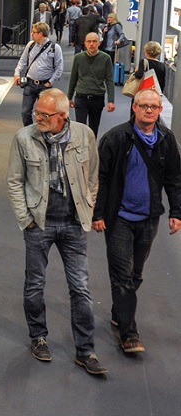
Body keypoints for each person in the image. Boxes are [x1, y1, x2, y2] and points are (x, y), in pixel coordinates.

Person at [6, 88, 107, 375]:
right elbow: (14, 181)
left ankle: (85, 350)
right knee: (35, 284)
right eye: (37, 112)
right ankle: (38, 337)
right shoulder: (23, 138)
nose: (38, 118)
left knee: (81, 288)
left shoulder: (84, 135)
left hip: (74, 224)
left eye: (44, 115)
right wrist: (26, 219)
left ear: (63, 115)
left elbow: (92, 176)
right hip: (39, 224)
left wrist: (88, 206)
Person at [93, 89, 181, 354]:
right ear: (134, 108)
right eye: (144, 106)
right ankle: (129, 334)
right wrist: (98, 213)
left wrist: (176, 211)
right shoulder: (116, 138)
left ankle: (119, 311)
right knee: (122, 276)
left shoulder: (166, 139)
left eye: (154, 107)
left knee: (135, 275)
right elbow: (100, 177)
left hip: (149, 218)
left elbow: (174, 179)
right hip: (119, 217)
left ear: (159, 110)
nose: (149, 110)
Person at [14, 22, 64, 127]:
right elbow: (23, 61)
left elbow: (59, 68)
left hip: (45, 86)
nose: (32, 34)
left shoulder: (55, 48)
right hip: (30, 84)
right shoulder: (30, 45)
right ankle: (29, 131)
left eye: (34, 32)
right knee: (25, 113)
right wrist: (17, 74)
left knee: (45, 113)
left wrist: (50, 82)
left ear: (40, 34)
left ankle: (43, 131)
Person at [67, 32, 115, 138]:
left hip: (97, 98)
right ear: (85, 43)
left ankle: (91, 148)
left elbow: (109, 80)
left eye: (94, 41)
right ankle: (80, 148)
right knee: (80, 129)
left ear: (99, 43)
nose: (91, 44)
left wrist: (111, 100)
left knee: (93, 129)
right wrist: (69, 97)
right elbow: (73, 78)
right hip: (81, 97)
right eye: (89, 41)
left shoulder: (106, 58)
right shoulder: (78, 58)